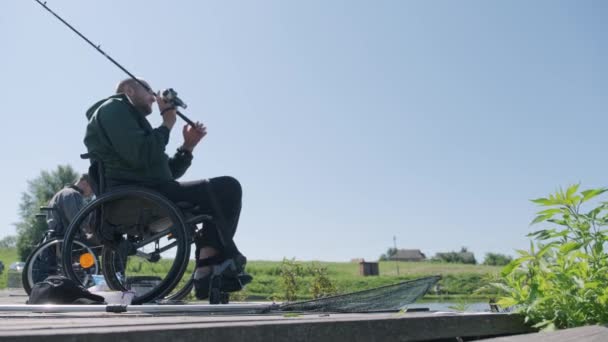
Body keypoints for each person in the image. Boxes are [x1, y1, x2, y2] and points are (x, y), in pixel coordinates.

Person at [83, 78, 250, 299]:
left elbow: (166, 173)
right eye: (149, 91)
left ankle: (207, 267)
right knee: (227, 188)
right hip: (136, 198)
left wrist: (187, 147)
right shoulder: (113, 108)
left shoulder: (133, 123)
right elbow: (140, 154)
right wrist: (167, 124)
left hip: (152, 191)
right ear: (129, 90)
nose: (154, 97)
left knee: (222, 192)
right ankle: (209, 266)